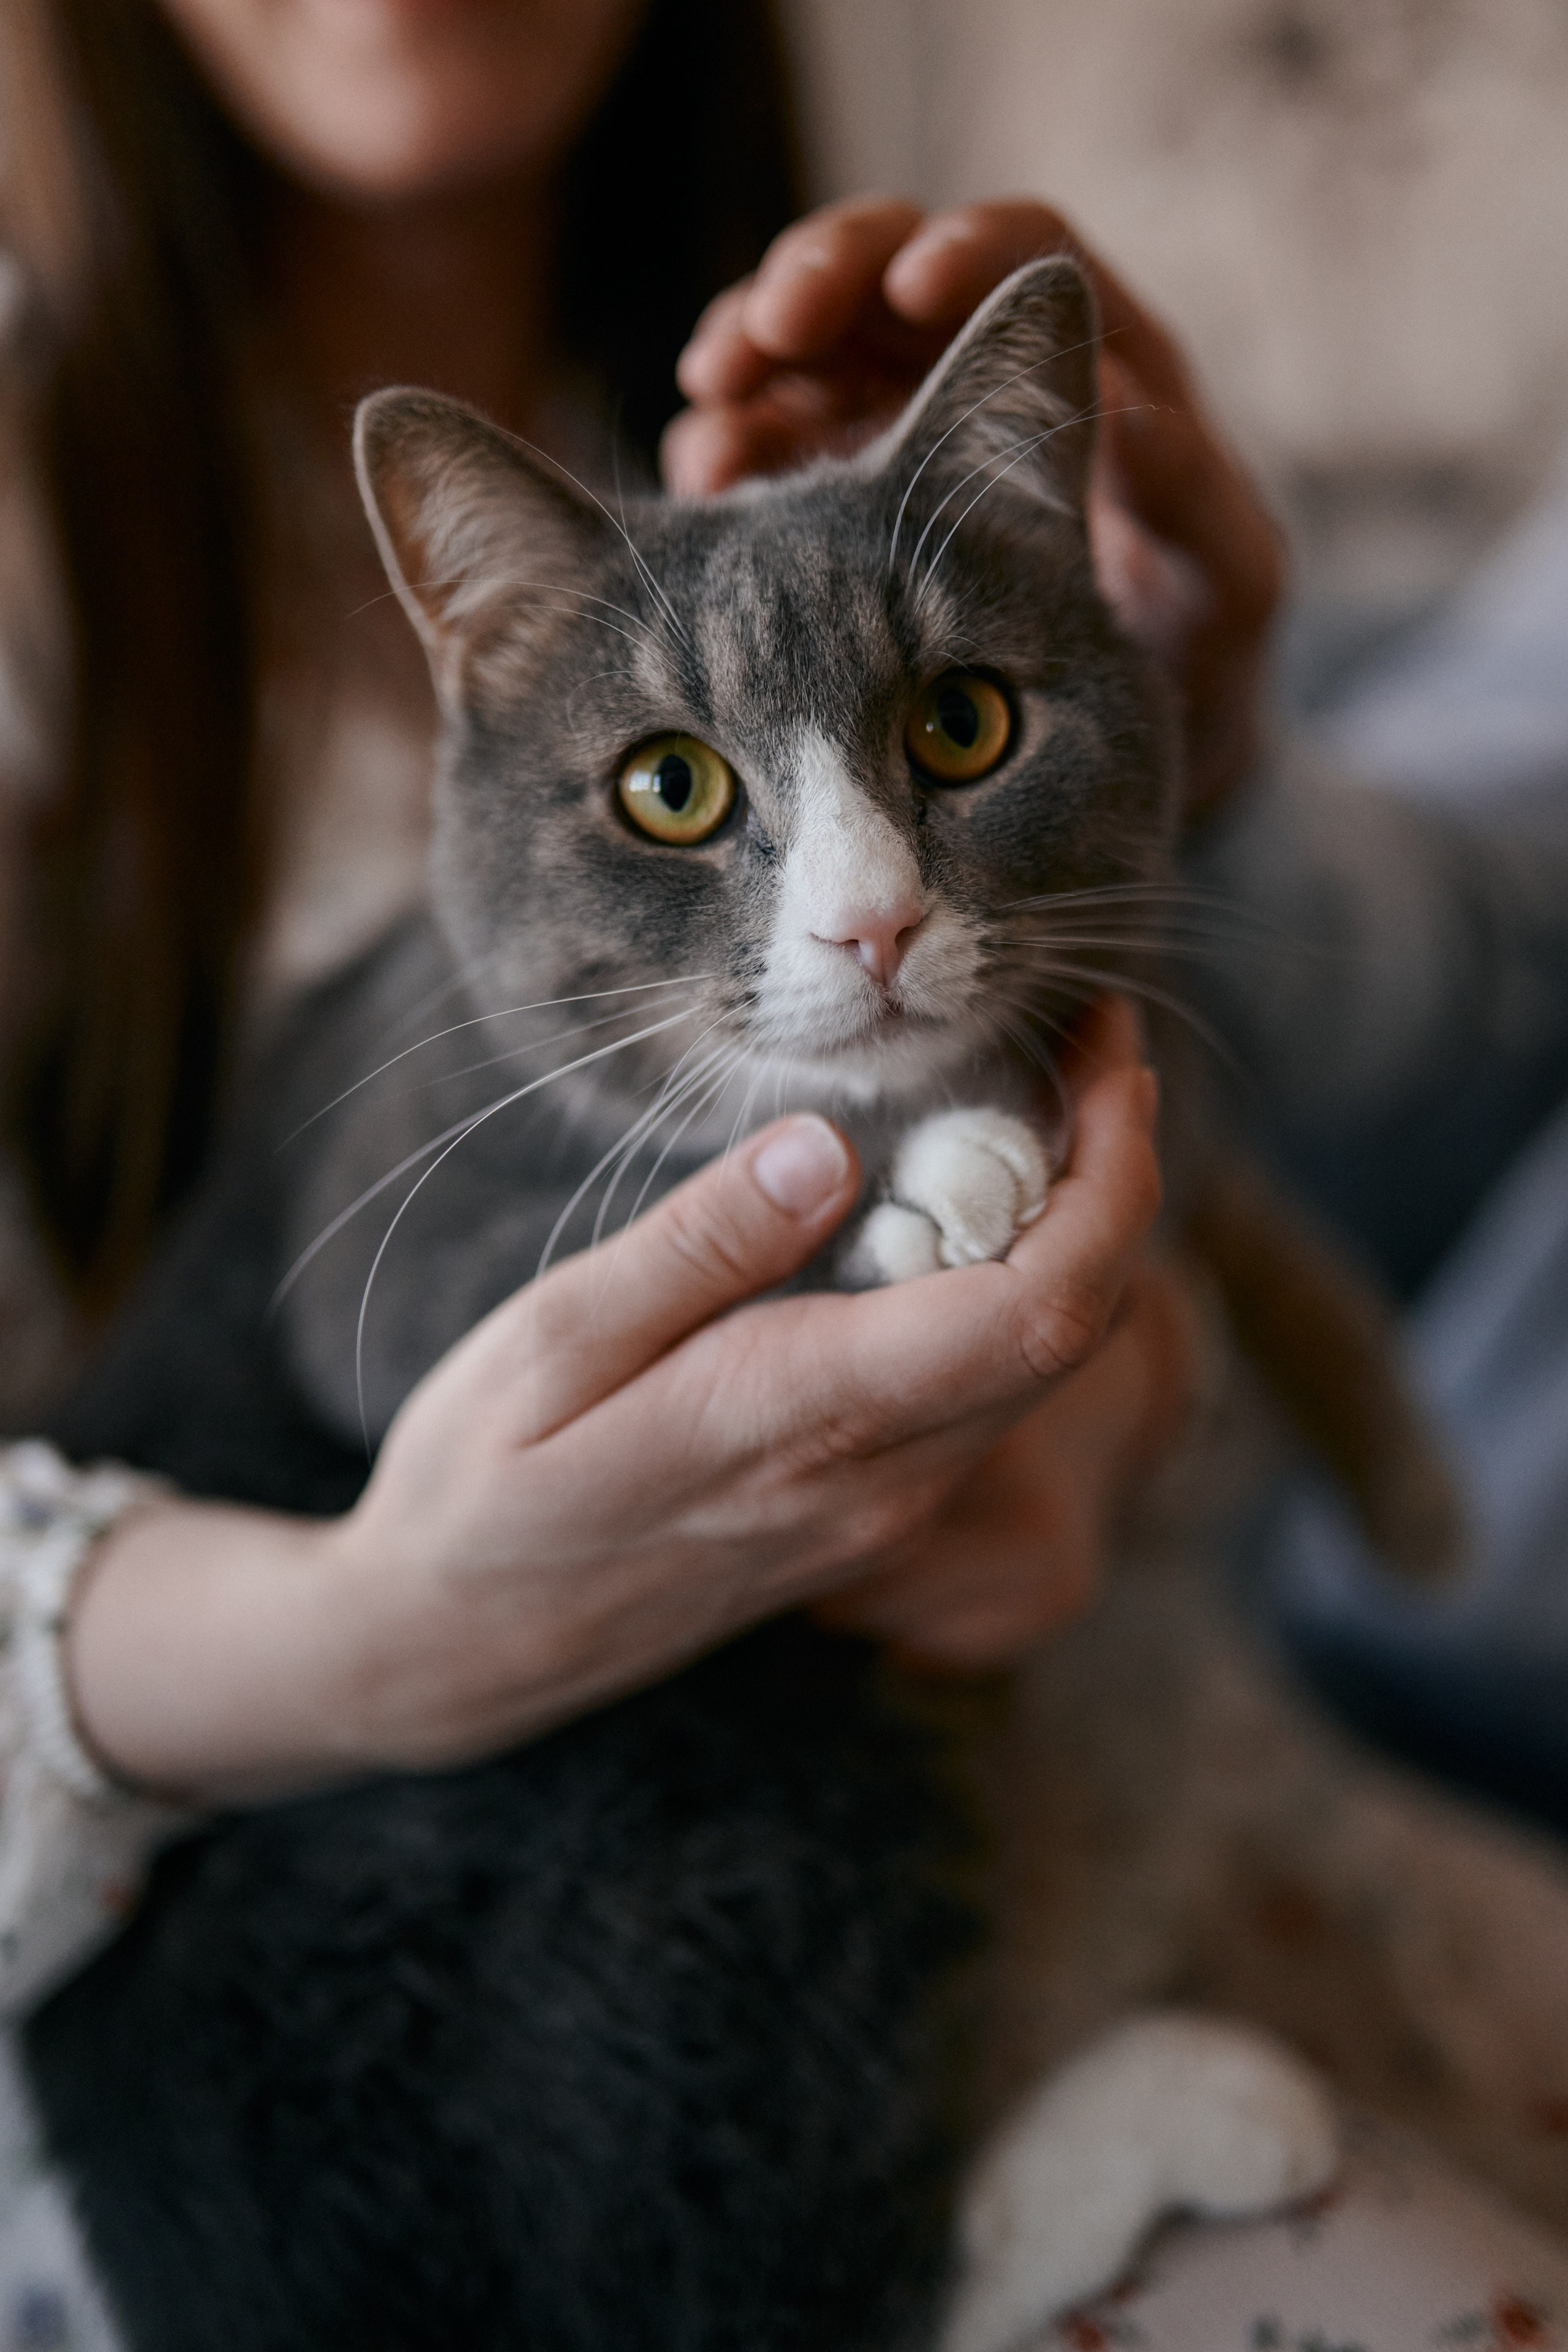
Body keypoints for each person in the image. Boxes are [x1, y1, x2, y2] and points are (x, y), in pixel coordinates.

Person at [0, 4, 1561, 2347]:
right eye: (676, 795)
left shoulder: (831, 391)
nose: (862, 914)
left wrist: (1211, 761)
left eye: (953, 728)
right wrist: (365, 1641)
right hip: (369, 1967)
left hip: (1059, 1795)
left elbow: (1433, 1032)